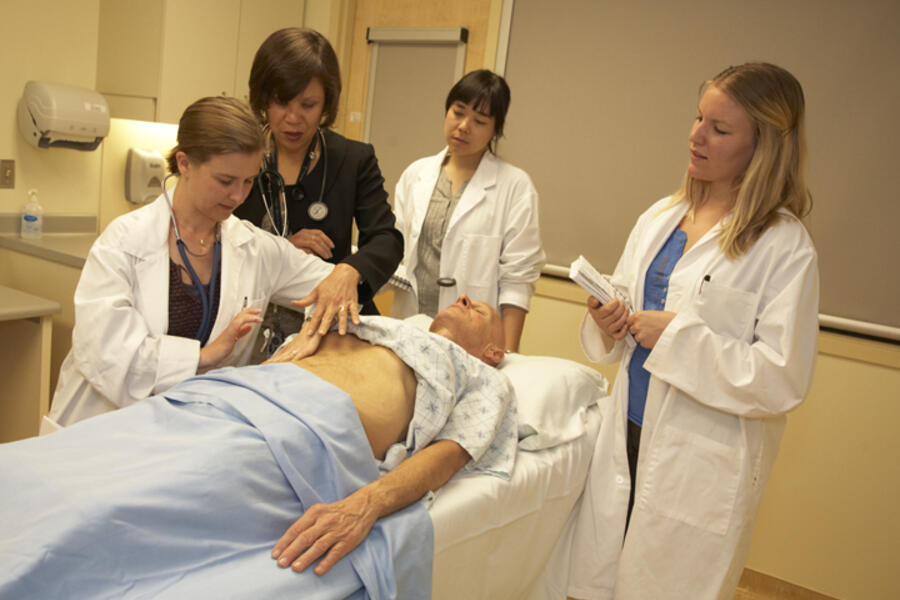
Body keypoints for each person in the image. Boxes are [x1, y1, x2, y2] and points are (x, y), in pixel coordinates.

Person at [1, 297, 515, 599]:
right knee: (60, 462)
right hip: (226, 397)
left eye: (481, 305)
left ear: (494, 351)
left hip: (298, 434)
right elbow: (292, 346)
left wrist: (366, 504)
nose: (465, 299)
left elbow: (447, 455)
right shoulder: (378, 325)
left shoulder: (483, 378)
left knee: (99, 509)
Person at [567, 63, 820, 600]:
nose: (696, 135)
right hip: (628, 431)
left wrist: (679, 338)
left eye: (720, 128)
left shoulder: (783, 245)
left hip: (698, 460)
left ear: (763, 146)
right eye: (698, 117)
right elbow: (629, 308)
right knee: (601, 578)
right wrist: (608, 320)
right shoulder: (662, 215)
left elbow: (781, 378)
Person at [48, 96, 336, 427]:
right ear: (184, 163)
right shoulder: (124, 242)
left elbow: (334, 285)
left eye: (248, 181)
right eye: (225, 181)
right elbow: (109, 355)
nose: (238, 196)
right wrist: (203, 356)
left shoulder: (253, 247)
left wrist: (323, 313)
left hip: (195, 430)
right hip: (106, 426)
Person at [234, 27, 403, 353]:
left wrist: (349, 270)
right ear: (262, 98)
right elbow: (218, 239)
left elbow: (386, 240)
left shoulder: (353, 159)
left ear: (327, 103)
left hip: (330, 326)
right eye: (281, 102)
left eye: (308, 104)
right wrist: (282, 250)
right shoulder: (240, 156)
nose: (293, 118)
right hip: (249, 323)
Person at [389, 69, 545, 352]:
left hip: (472, 343)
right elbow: (394, 249)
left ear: (496, 129)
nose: (463, 126)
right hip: (410, 326)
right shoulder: (416, 174)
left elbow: (517, 281)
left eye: (480, 120)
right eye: (457, 112)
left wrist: (508, 354)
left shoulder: (515, 186)